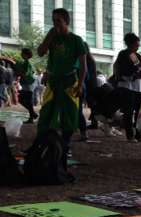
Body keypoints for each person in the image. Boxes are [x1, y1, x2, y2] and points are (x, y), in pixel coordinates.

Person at [36, 8, 87, 150]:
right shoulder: (52, 37)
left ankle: (66, 145)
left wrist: (80, 84)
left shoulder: (77, 40)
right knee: (46, 111)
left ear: (67, 22)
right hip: (53, 81)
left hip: (70, 81)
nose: (55, 24)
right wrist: (49, 37)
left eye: (58, 20)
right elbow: (40, 53)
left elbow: (83, 65)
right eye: (53, 21)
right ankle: (41, 142)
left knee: (70, 112)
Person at [115, 32, 141, 143]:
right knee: (128, 111)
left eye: (138, 46)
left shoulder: (138, 56)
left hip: (139, 85)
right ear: (129, 45)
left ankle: (138, 134)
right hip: (127, 85)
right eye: (135, 46)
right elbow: (124, 71)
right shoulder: (123, 54)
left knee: (139, 111)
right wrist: (137, 67)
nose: (137, 48)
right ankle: (130, 135)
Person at [15, 48, 38, 123]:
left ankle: (32, 117)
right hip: (26, 83)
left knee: (27, 101)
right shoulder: (25, 62)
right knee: (21, 100)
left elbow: (26, 74)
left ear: (26, 55)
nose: (21, 54)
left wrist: (18, 72)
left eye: (22, 53)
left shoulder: (28, 63)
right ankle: (33, 114)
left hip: (29, 84)